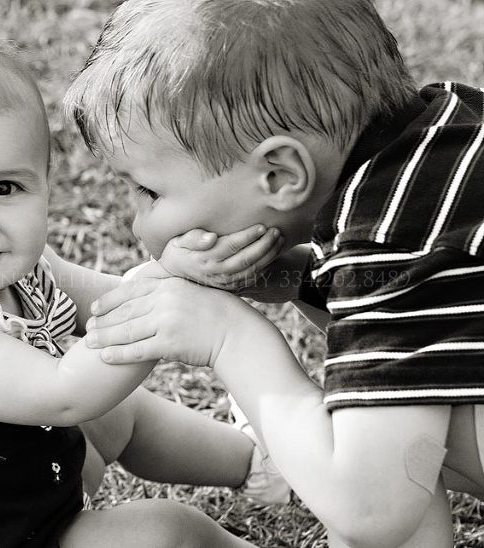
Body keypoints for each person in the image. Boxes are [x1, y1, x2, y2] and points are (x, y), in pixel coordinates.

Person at [0, 22, 289, 548]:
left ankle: (262, 467)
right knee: (166, 531)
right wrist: (175, 296)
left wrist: (175, 274)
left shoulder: (19, 267)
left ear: (47, 187)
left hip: (20, 485)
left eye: (4, 188)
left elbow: (111, 301)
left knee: (123, 413)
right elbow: (69, 394)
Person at [65, 0, 484, 546]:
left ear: (281, 174)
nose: (137, 217)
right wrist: (300, 279)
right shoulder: (450, 135)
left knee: (357, 436)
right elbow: (440, 318)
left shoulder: (393, 240)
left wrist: (231, 338)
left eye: (148, 191)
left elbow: (371, 507)